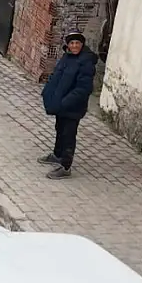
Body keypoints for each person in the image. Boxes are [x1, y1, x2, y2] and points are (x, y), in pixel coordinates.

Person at [39, 30, 98, 179]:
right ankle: (57, 154)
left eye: (77, 43)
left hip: (73, 107)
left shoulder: (86, 62)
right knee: (59, 128)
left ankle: (65, 166)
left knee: (69, 134)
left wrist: (66, 102)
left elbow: (84, 88)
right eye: (72, 43)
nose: (74, 46)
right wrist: (49, 92)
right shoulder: (67, 57)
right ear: (68, 45)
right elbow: (56, 76)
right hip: (61, 104)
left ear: (82, 44)